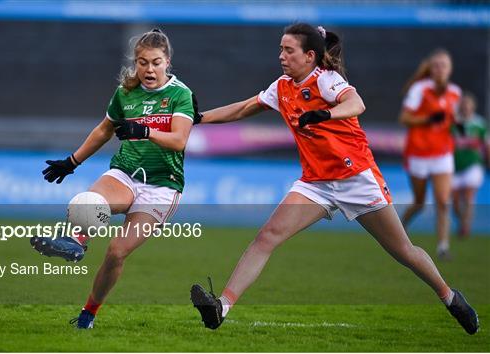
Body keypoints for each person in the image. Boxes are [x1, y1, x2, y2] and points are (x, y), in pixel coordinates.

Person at [190, 23, 478, 335]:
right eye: (281, 49)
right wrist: (201, 117)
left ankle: (451, 299)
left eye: (289, 50)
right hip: (316, 183)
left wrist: (324, 114)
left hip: (356, 178)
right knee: (267, 236)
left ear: (310, 55)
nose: (281, 56)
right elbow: (246, 107)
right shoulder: (282, 86)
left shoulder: (327, 80)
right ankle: (222, 307)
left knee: (403, 251)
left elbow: (357, 104)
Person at [31, 29, 198, 329]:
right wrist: (72, 162)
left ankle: (88, 314)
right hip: (126, 173)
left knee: (116, 252)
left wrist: (145, 131)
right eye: (142, 62)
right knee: (88, 202)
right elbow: (103, 130)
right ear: (135, 63)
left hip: (162, 187)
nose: (149, 69)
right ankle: (75, 243)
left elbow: (180, 140)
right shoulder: (126, 92)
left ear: (167, 62)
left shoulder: (180, 94)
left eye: (156, 62)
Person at [399, 49, 461, 260]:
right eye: (436, 65)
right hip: (419, 153)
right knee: (419, 201)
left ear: (450, 69)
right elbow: (405, 118)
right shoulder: (420, 89)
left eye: (444, 65)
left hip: (442, 154)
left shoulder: (455, 92)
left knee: (443, 201)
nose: (440, 69)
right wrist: (427, 119)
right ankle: (400, 229)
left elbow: (452, 119)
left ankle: (443, 247)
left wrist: (458, 125)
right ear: (431, 69)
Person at [452, 92, 489, 238]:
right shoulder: (454, 123)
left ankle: (466, 227)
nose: (466, 107)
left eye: (468, 104)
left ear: (473, 107)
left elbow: (486, 145)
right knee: (454, 202)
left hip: (473, 165)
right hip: (454, 167)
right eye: (463, 104)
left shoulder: (479, 124)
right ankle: (462, 221)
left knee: (468, 197)